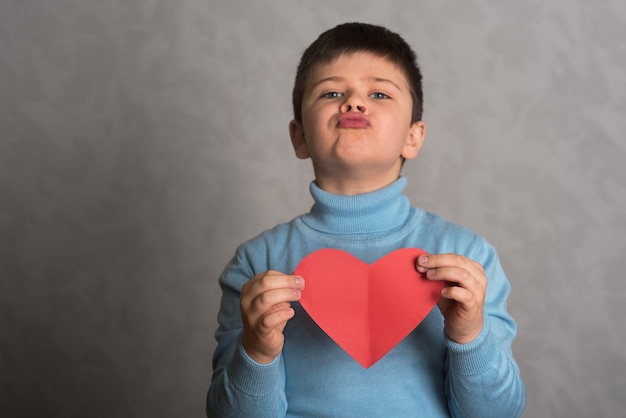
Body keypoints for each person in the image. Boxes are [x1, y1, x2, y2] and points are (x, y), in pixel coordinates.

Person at [207, 22, 525, 417]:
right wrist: (257, 351)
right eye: (331, 92)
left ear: (414, 135)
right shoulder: (257, 263)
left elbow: (497, 414)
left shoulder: (466, 259)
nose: (354, 103)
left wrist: (469, 336)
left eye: (378, 93)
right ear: (299, 137)